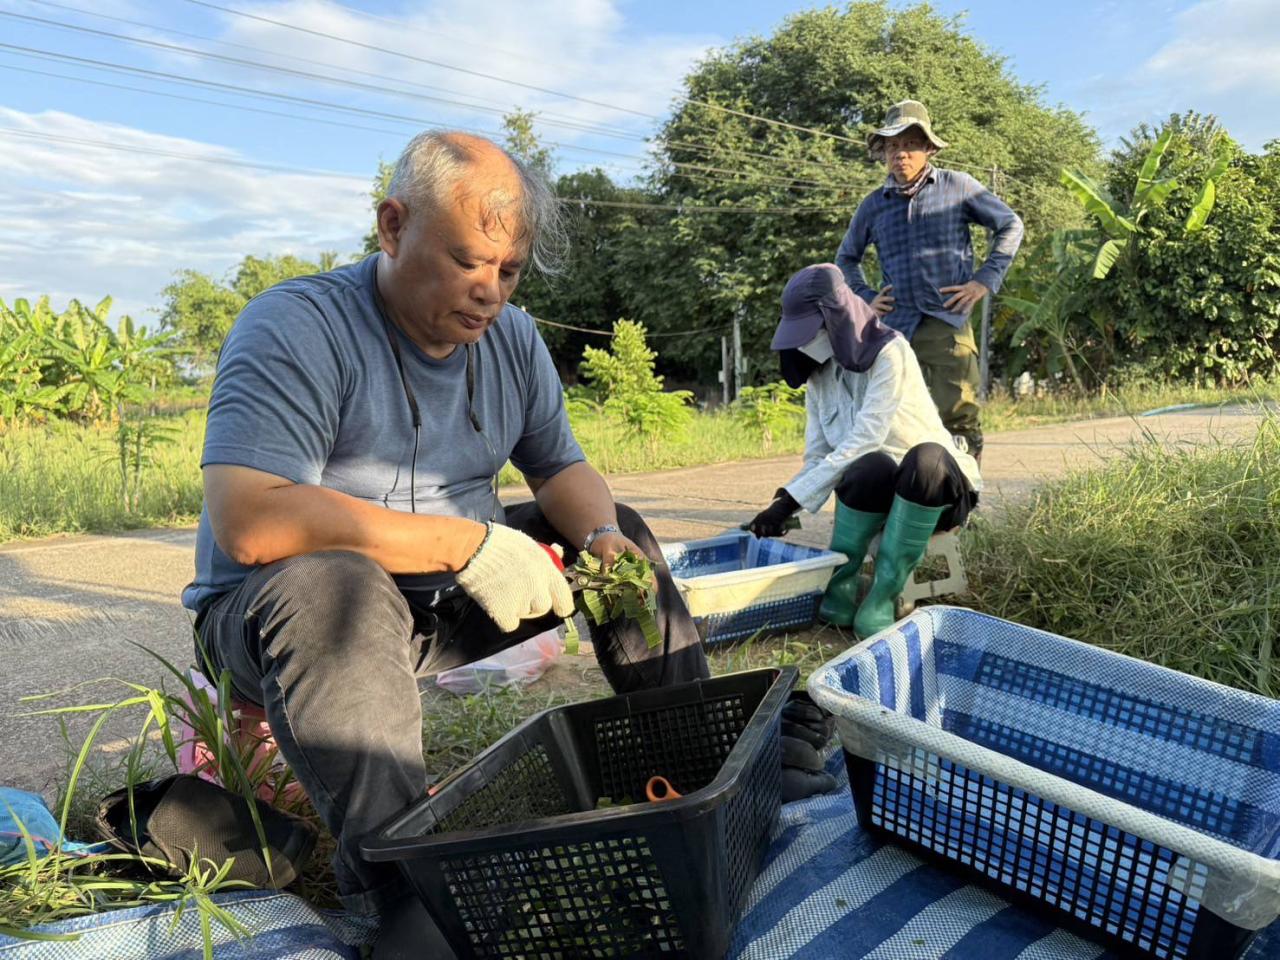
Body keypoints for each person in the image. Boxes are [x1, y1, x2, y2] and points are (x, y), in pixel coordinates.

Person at [181, 132, 716, 933]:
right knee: (339, 586)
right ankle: (406, 894)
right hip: (283, 618)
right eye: (468, 261)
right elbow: (252, 520)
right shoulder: (297, 327)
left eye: (509, 271)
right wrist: (466, 543)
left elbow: (561, 470)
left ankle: (699, 756)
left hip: (442, 601)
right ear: (392, 226)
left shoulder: (513, 341)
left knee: (623, 539)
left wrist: (602, 537)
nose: (489, 292)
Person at [746, 264, 982, 639]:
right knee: (868, 467)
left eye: (813, 329)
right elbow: (819, 455)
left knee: (924, 458)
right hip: (880, 493)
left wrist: (789, 502)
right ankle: (843, 581)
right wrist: (781, 504)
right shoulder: (820, 377)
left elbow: (865, 437)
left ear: (837, 318)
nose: (808, 341)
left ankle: (886, 592)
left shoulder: (891, 352)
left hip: (934, 492)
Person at [835, 99, 1024, 462]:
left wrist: (984, 279)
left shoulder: (958, 187)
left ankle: (962, 507)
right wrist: (865, 297)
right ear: (884, 153)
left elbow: (1010, 224)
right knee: (895, 416)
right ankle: (906, 505)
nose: (900, 154)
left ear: (928, 149)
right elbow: (846, 258)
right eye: (892, 146)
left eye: (909, 145)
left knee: (959, 415)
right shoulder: (874, 205)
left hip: (946, 321)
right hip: (895, 328)